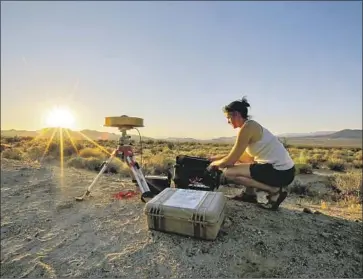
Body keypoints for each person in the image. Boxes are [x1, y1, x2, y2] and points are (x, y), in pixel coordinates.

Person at [208, 97, 296, 210]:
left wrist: (214, 164)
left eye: (228, 118)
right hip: (285, 171)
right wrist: (216, 158)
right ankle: (249, 195)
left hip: (280, 172)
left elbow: (231, 160)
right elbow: (242, 157)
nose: (228, 122)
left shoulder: (247, 128)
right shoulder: (250, 126)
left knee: (229, 173)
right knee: (246, 163)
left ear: (236, 114)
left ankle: (275, 191)